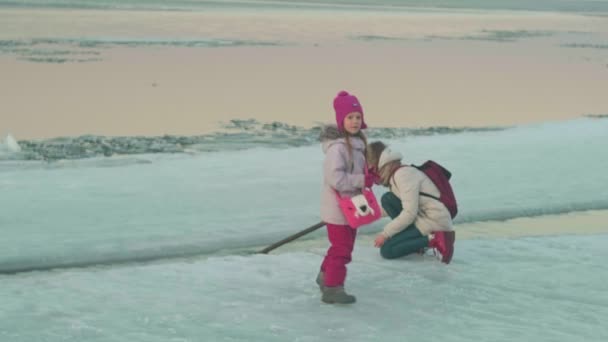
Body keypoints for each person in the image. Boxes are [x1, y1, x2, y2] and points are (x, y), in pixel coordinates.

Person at [316, 90, 375, 304]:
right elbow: (335, 179)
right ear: (341, 120)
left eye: (358, 117)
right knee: (341, 249)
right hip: (337, 208)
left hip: (352, 206)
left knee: (343, 248)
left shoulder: (357, 145)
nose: (355, 121)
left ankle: (325, 275)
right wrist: (361, 180)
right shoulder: (338, 148)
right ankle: (332, 288)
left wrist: (371, 176)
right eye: (350, 117)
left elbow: (357, 173)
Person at [366, 141, 455, 263]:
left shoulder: (403, 175)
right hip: (423, 217)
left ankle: (436, 239)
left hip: (434, 220)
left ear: (379, 164)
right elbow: (398, 207)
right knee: (388, 199)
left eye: (371, 168)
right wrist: (370, 213)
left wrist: (385, 234)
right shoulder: (397, 175)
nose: (371, 174)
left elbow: (409, 213)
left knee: (387, 250)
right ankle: (417, 244)